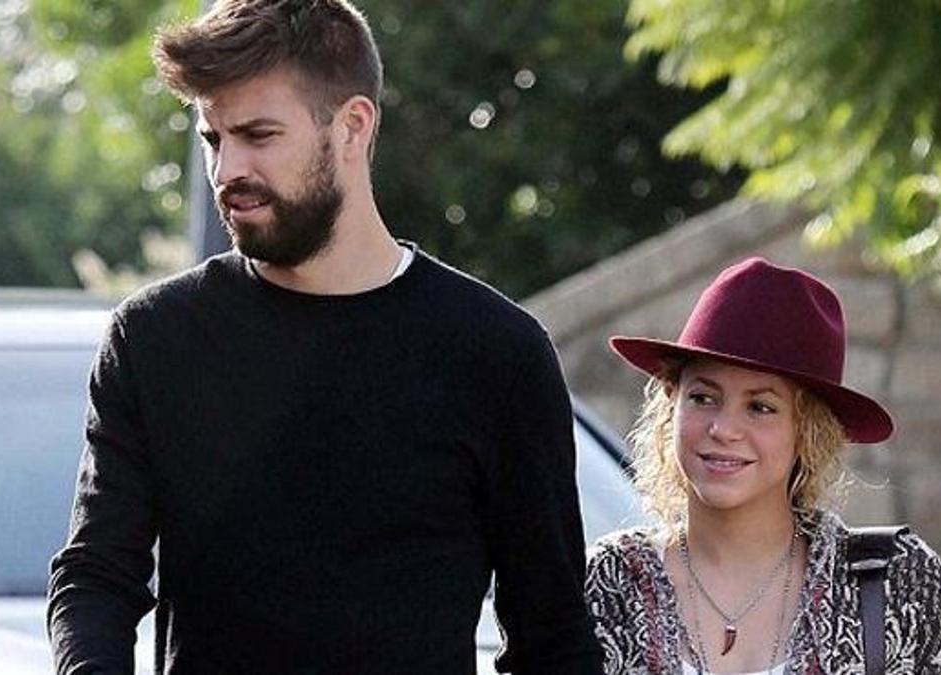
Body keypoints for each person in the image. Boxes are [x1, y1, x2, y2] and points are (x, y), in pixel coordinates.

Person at [46, 1, 602, 672]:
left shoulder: (495, 353)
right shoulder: (154, 338)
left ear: (352, 126)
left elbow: (553, 633)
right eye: (214, 139)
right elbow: (97, 575)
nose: (227, 170)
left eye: (258, 135)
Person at [585, 257, 941, 674]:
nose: (723, 429)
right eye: (703, 398)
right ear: (672, 403)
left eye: (760, 407)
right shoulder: (606, 584)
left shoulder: (897, 584)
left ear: (808, 430)